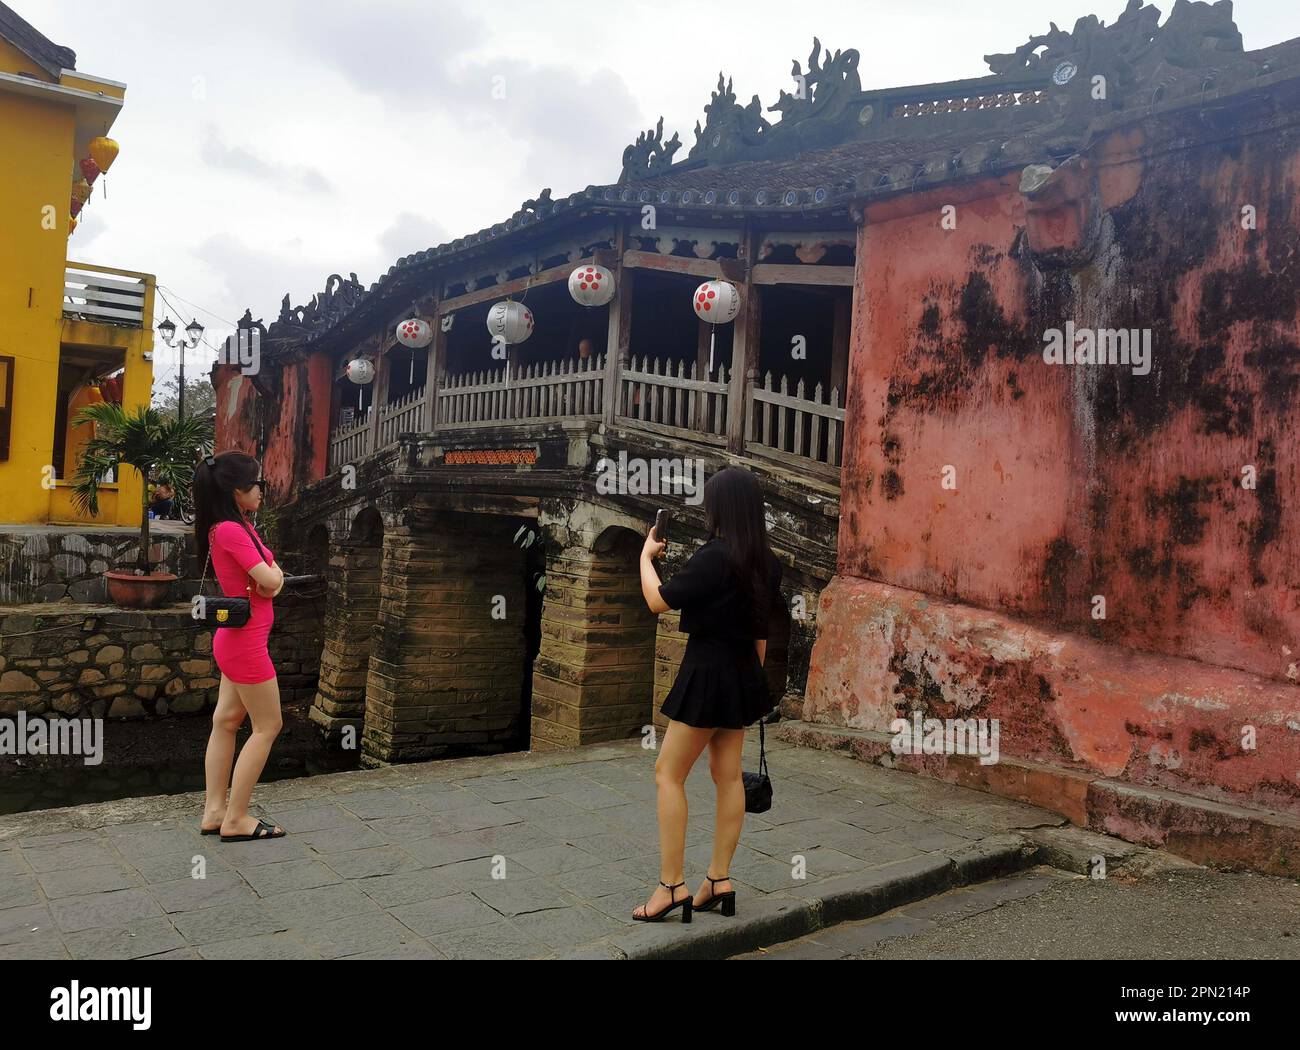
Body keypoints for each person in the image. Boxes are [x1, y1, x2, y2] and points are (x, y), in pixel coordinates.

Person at [632, 465, 783, 921]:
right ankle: (718, 879)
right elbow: (761, 632)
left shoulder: (714, 557)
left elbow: (658, 600)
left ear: (721, 509)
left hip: (707, 670)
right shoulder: (767, 562)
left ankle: (671, 886)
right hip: (741, 673)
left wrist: (645, 557)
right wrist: (749, 685)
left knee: (668, 773)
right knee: (728, 777)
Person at [192, 452, 287, 842]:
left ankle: (215, 811)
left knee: (226, 721)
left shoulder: (233, 525)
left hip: (235, 640)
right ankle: (237, 819)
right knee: (268, 726)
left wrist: (270, 579)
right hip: (245, 645)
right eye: (257, 485)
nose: (262, 491)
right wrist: (276, 575)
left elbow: (264, 581)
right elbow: (269, 579)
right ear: (236, 490)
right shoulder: (231, 530)